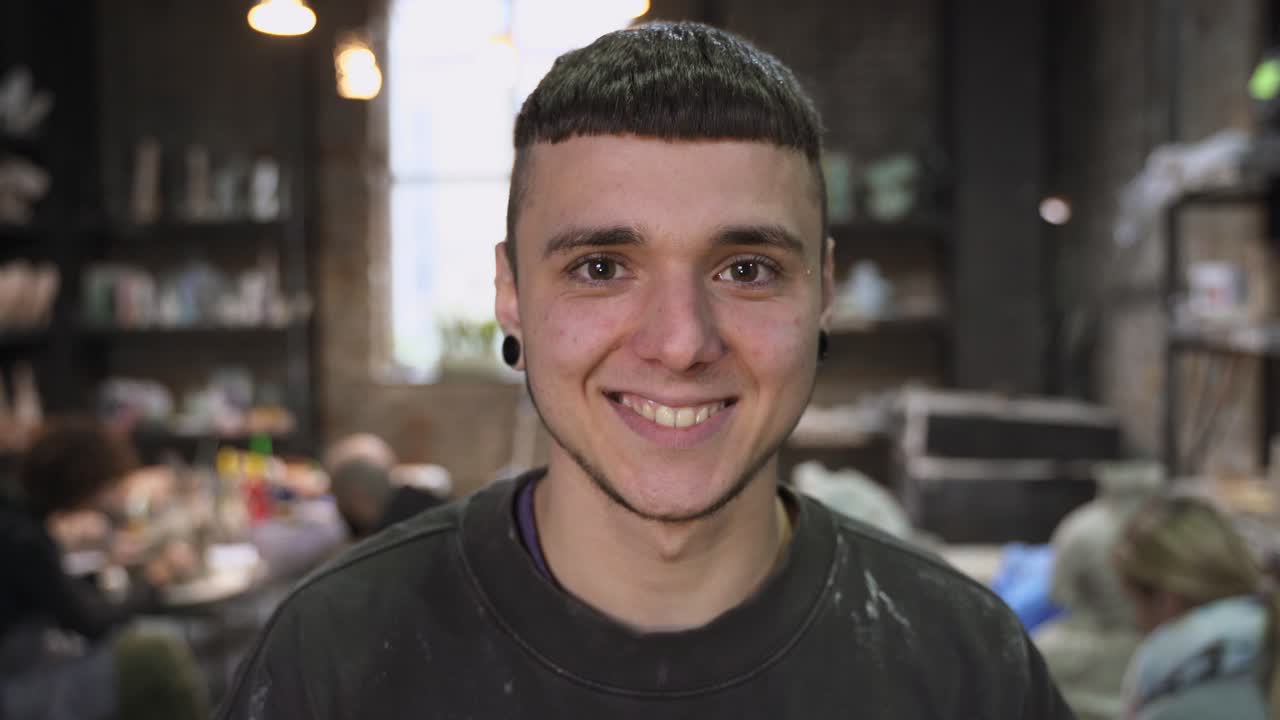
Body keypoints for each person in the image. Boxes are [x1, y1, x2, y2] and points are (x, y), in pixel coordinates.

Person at [220, 22, 1072, 718]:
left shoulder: (966, 667)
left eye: (746, 269)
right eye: (600, 267)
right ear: (510, 294)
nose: (679, 343)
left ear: (824, 295)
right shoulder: (333, 659)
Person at [0, 415, 207, 720]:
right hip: (18, 687)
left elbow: (49, 593)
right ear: (85, 480)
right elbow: (89, 623)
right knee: (159, 655)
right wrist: (155, 580)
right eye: (106, 486)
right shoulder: (24, 538)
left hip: (23, 664)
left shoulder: (21, 523)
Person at [1112, 494, 1279, 720]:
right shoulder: (1264, 655)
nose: (1136, 621)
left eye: (1132, 602)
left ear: (1166, 599)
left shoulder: (1178, 707)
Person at [324, 433, 444, 538]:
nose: (338, 508)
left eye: (338, 496)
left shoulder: (385, 540)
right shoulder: (432, 512)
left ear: (357, 495)